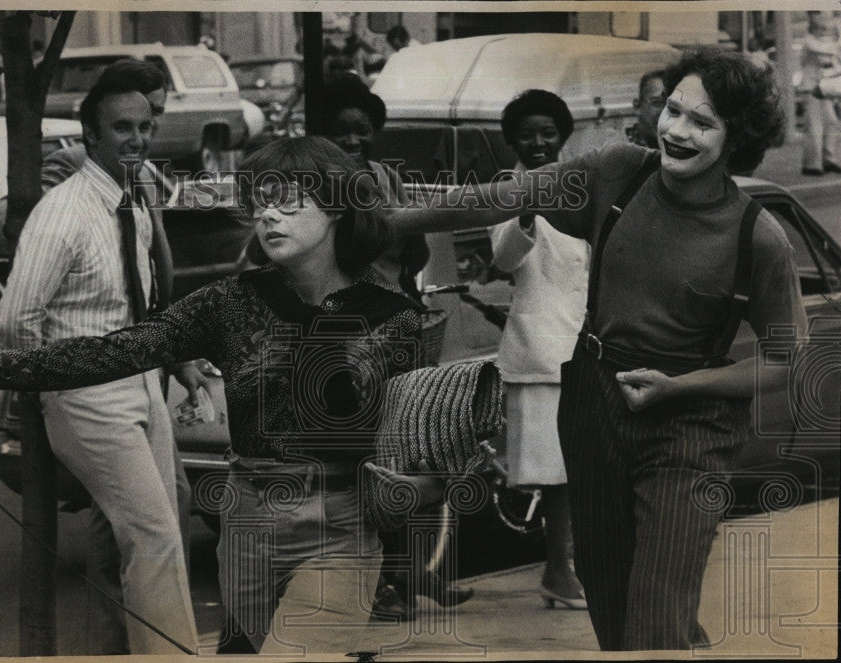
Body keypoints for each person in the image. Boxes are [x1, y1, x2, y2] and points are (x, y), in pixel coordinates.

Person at [0, 136, 445, 655]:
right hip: (246, 523)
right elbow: (111, 352)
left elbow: (435, 454)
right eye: (260, 201)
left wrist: (414, 483)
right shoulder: (231, 301)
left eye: (290, 201)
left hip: (340, 529)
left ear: (337, 209)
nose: (269, 214)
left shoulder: (391, 318)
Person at [385, 48, 805, 650]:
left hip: (691, 425)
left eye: (702, 122)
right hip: (594, 402)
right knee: (610, 602)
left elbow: (784, 360)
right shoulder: (617, 173)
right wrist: (389, 221)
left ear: (738, 138)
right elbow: (499, 197)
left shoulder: (758, 237)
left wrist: (681, 386)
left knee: (657, 616)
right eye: (674, 111)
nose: (677, 131)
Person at [3, 74, 198, 654]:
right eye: (121, 128)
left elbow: (143, 294)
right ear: (90, 135)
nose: (136, 139)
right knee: (154, 537)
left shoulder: (133, 195)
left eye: (144, 127)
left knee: (164, 531)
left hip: (140, 381)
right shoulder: (62, 212)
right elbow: (16, 320)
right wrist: (55, 387)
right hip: (88, 392)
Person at [320, 75, 470, 622]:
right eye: (343, 134)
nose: (355, 142)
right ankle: (383, 582)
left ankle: (410, 572)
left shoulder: (388, 178)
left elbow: (419, 251)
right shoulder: (317, 187)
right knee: (366, 467)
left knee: (409, 456)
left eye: (363, 132)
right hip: (347, 343)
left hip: (399, 331)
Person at [487, 90, 587, 610]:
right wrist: (526, 210)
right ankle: (557, 570)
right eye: (527, 133)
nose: (539, 141)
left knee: (587, 469)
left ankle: (575, 567)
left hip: (589, 344)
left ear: (563, 133)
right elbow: (504, 259)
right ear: (512, 140)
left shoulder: (584, 183)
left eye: (548, 131)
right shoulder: (505, 188)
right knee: (557, 477)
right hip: (541, 348)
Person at [799, 11, 841, 175]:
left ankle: (828, 159)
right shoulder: (809, 41)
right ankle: (812, 164)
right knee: (814, 126)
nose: (824, 30)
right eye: (821, 27)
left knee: (832, 123)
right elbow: (826, 50)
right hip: (812, 87)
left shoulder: (830, 43)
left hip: (825, 88)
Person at [630, 69, 665, 149]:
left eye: (672, 105)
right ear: (637, 106)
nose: (665, 112)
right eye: (657, 102)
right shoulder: (620, 154)